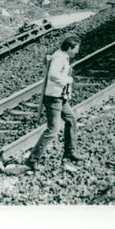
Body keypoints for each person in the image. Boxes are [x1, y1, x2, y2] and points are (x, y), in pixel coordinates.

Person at [26, 36, 83, 169]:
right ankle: (32, 160)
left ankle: (70, 152)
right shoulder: (59, 57)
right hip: (53, 98)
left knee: (71, 120)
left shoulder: (61, 55)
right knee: (53, 130)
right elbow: (53, 75)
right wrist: (67, 80)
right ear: (70, 48)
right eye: (76, 49)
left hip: (60, 98)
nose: (77, 52)